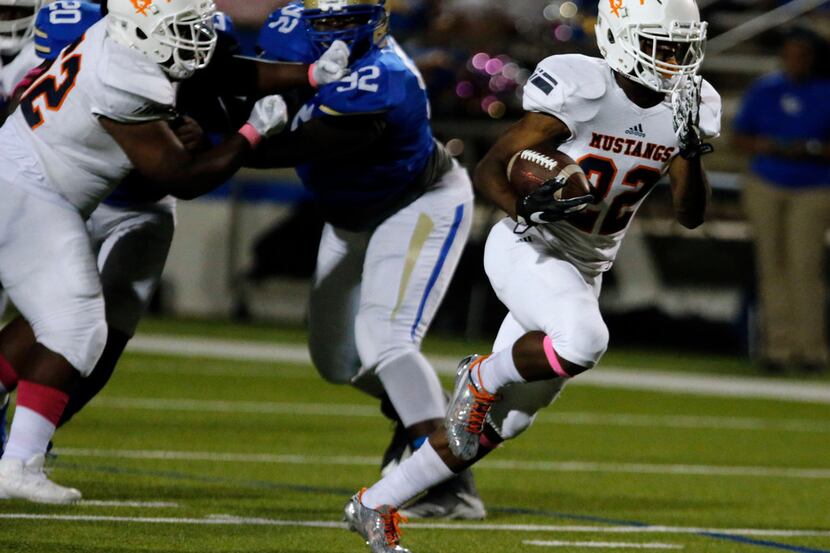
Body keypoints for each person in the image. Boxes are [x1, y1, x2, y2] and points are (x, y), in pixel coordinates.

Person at [342, 0, 722, 550]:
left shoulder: (692, 102)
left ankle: (374, 504)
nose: (674, 62)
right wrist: (526, 208)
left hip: (585, 268)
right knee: (585, 339)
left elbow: (691, 213)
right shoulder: (582, 87)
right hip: (529, 247)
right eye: (662, 46)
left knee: (502, 425)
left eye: (684, 48)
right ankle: (481, 376)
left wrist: (691, 149)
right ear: (620, 37)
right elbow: (491, 168)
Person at [0, 0, 350, 504]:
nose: (197, 36)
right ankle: (20, 464)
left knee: (51, 320)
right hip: (31, 194)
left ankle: (17, 456)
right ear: (145, 30)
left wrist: (311, 73)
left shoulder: (120, 37)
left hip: (30, 181)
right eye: (183, 28)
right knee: (76, 326)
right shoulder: (125, 75)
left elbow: (221, 68)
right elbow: (181, 178)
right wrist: (251, 134)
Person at [255, 0, 484, 520]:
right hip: (348, 216)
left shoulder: (384, 73)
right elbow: (252, 72)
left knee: (386, 338)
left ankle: (451, 482)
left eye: (344, 19)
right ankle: (427, 411)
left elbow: (302, 145)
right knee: (336, 361)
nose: (331, 30)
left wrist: (229, 141)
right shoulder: (291, 26)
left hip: (417, 203)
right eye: (324, 19)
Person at [733, 27, 830, 374]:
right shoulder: (767, 88)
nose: (795, 60)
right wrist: (772, 146)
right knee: (770, 267)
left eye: (802, 54)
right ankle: (777, 349)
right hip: (767, 181)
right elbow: (740, 136)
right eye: (790, 53)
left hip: (814, 185)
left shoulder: (825, 90)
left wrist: (810, 149)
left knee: (805, 268)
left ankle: (812, 351)